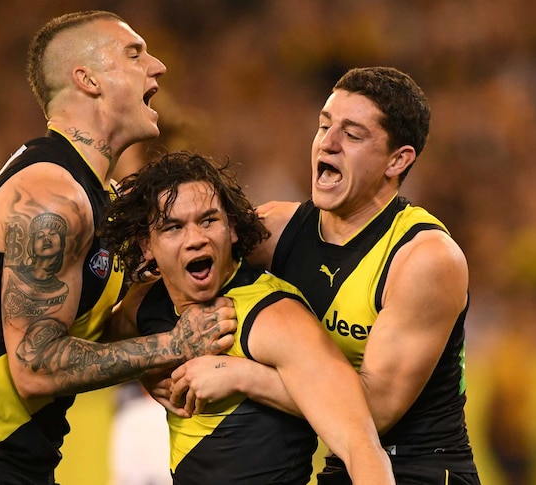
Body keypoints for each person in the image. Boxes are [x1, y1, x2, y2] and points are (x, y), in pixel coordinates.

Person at [0, 11, 237, 485]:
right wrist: (172, 344)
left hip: (10, 467)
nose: (157, 66)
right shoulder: (52, 196)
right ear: (88, 79)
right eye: (135, 54)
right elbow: (35, 367)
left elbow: (74, 326)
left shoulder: (97, 195)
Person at [169, 67, 481, 484]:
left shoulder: (424, 258)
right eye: (324, 125)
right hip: (342, 465)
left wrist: (241, 376)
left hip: (420, 467)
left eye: (352, 135)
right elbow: (173, 268)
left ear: (398, 159)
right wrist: (160, 352)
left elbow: (371, 413)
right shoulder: (274, 231)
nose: (327, 143)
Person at [100, 151, 395, 484]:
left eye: (209, 220)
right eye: (174, 228)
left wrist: (245, 376)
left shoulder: (275, 316)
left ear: (233, 229)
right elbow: (93, 352)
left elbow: (363, 448)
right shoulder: (145, 306)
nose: (196, 239)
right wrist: (149, 364)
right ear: (147, 247)